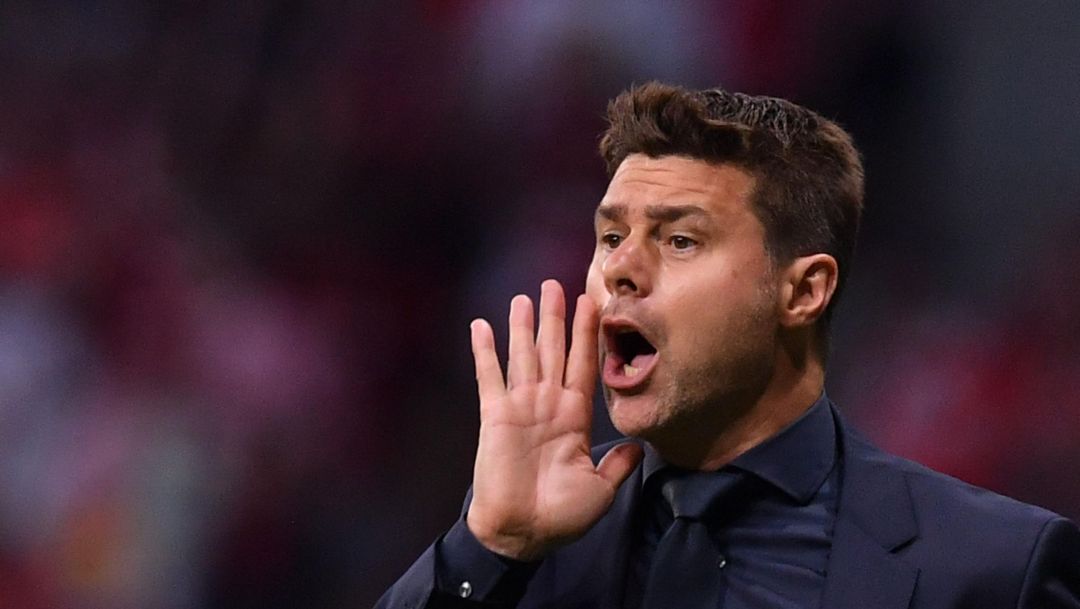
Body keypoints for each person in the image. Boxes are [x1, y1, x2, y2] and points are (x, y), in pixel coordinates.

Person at [376, 82, 1080, 608]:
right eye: (611, 236)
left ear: (803, 291)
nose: (619, 266)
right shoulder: (523, 547)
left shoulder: (994, 567)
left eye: (680, 239)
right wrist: (489, 547)